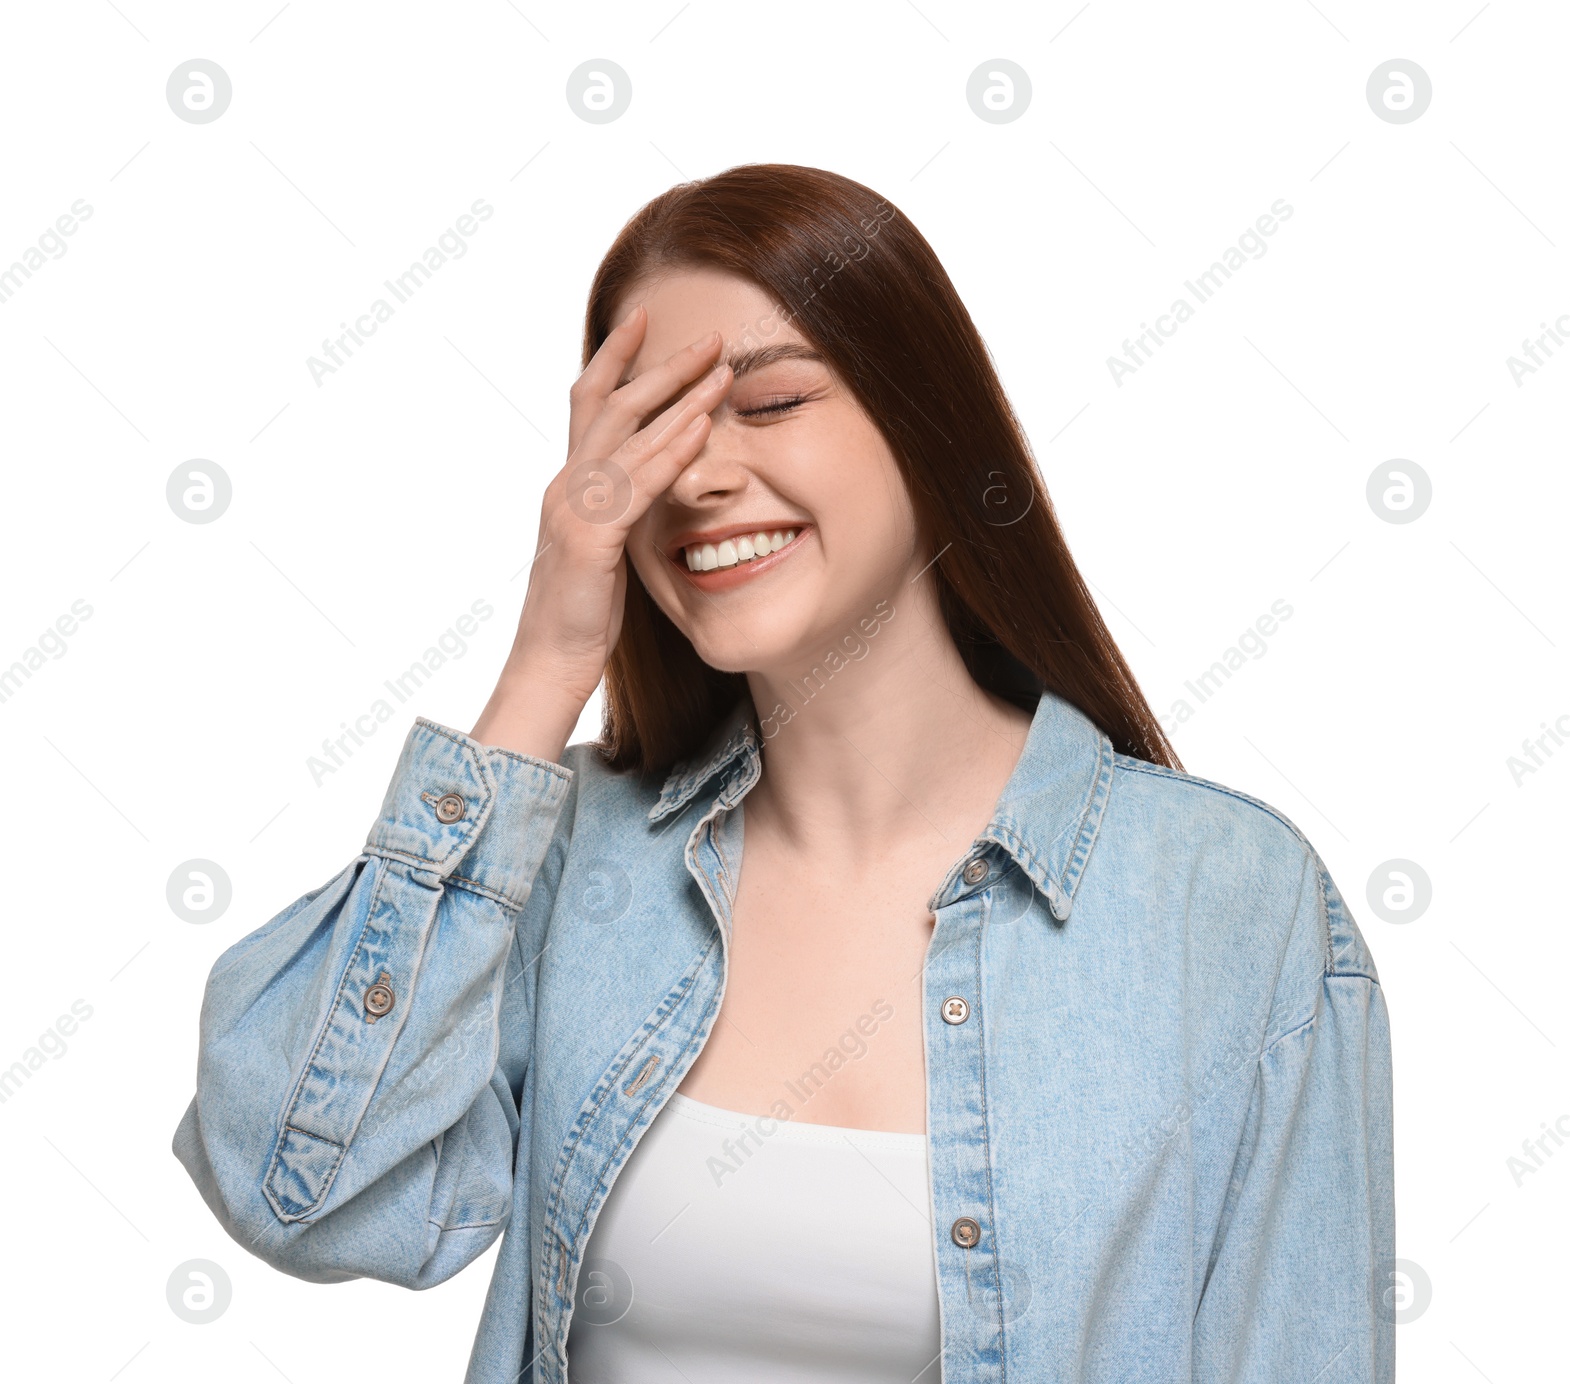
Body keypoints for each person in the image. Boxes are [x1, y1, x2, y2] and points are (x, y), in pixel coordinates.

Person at [173, 163, 1395, 1383]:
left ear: (928, 426)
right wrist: (547, 662)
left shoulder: (1231, 903)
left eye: (767, 404)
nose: (697, 476)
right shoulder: (565, 863)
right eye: (649, 430)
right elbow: (299, 1189)